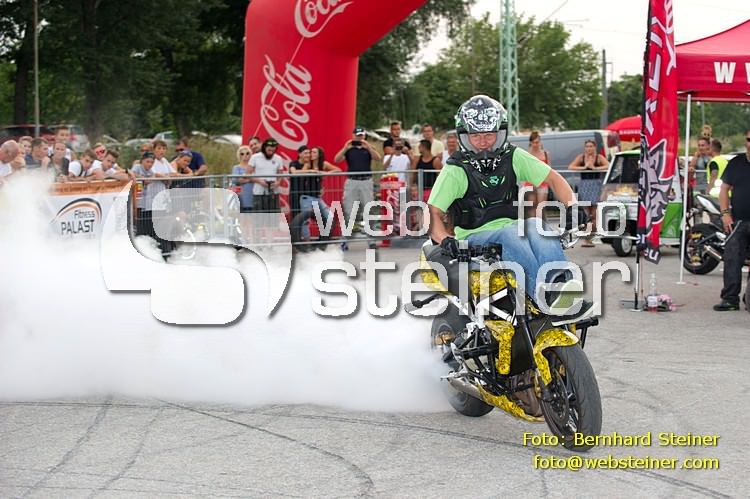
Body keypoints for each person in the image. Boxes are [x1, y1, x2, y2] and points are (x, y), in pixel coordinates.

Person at [427, 95, 593, 324]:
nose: (483, 142)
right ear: (464, 136)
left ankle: (561, 289)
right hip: (473, 236)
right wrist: (445, 240)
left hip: (512, 227)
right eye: (475, 135)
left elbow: (554, 179)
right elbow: (432, 213)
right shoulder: (455, 169)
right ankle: (543, 299)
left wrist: (572, 206)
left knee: (536, 225)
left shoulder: (512, 156)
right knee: (513, 234)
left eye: (489, 134)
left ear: (501, 132)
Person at [713, 129, 750, 312]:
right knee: (732, 259)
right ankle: (730, 299)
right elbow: (723, 189)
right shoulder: (736, 162)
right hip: (738, 220)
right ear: (745, 141)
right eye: (749, 139)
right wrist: (725, 213)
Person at [334, 126, 382, 247]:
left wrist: (368, 147)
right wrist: (345, 148)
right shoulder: (349, 149)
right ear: (353, 136)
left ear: (364, 136)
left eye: (361, 136)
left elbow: (378, 158)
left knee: (368, 209)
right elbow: (337, 159)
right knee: (349, 210)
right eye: (357, 136)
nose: (359, 138)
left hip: (366, 181)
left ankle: (371, 240)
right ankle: (345, 239)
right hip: (352, 181)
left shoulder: (368, 148)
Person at [568, 139, 608, 247]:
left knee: (594, 213)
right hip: (585, 185)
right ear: (584, 148)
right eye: (587, 146)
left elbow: (608, 166)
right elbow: (571, 166)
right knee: (586, 213)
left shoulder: (599, 157)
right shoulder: (581, 157)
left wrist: (595, 168)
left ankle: (590, 237)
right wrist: (584, 167)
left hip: (596, 185)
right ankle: (587, 238)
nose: (589, 148)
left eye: (591, 146)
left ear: (595, 147)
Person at [249, 138, 283, 212]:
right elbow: (248, 174)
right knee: (259, 216)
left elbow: (280, 173)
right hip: (259, 192)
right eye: (269, 150)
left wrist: (278, 182)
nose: (271, 152)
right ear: (264, 147)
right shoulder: (254, 157)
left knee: (274, 216)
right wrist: (259, 181)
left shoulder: (278, 158)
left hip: (273, 192)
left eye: (273, 150)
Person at [523, 131, 551, 217]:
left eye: (537, 142)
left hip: (542, 183)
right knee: (532, 208)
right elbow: (524, 170)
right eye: (534, 142)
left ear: (540, 142)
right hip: (530, 183)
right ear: (530, 143)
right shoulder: (527, 154)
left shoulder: (545, 154)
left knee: (541, 207)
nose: (536, 144)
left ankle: (540, 223)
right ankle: (533, 223)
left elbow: (549, 169)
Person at [231, 145, 255, 213]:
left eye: (247, 153)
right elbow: (236, 180)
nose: (245, 155)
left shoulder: (254, 167)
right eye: (242, 154)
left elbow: (257, 178)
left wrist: (244, 179)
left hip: (253, 195)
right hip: (241, 195)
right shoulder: (236, 167)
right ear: (239, 155)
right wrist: (250, 179)